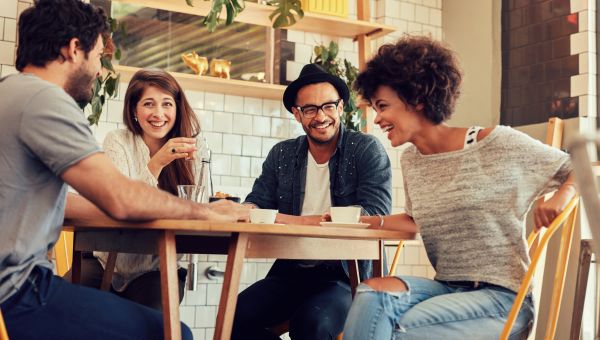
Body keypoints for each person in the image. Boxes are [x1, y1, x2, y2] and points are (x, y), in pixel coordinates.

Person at [0, 1, 247, 339]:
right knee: (174, 333)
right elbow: (120, 198)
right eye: (99, 56)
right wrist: (204, 212)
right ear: (74, 49)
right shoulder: (46, 101)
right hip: (20, 291)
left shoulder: (9, 93)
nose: (100, 71)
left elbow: (56, 201)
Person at [341, 35, 577, 340]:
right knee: (372, 294)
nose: (377, 119)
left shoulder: (498, 143)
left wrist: (563, 195)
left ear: (417, 97)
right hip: (447, 288)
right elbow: (415, 220)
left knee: (391, 332)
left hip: (502, 300)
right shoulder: (412, 160)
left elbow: (580, 169)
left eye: (382, 106)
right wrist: (355, 221)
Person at [231, 63, 393, 340]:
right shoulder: (282, 154)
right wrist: (240, 210)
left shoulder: (365, 149)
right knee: (234, 316)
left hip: (346, 275)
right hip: (292, 271)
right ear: (297, 114)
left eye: (328, 106)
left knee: (313, 323)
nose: (321, 116)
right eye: (310, 109)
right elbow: (257, 202)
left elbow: (375, 212)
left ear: (341, 108)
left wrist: (287, 218)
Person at [66, 69, 210, 311]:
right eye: (148, 104)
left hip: (159, 267)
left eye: (167, 104)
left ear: (177, 108)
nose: (158, 113)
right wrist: (157, 163)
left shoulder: (192, 150)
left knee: (150, 325)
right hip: (105, 260)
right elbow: (122, 202)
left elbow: (198, 208)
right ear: (134, 110)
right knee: (60, 308)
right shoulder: (118, 141)